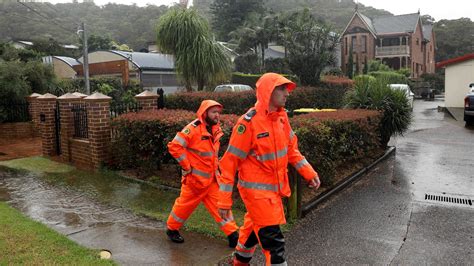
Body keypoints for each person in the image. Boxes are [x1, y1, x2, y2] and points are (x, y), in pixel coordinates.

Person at [217, 73, 321, 265]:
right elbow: (230, 161)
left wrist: (309, 172)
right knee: (274, 245)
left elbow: (291, 149)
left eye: (287, 89)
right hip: (256, 194)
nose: (286, 94)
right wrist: (224, 200)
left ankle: (239, 262)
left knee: (251, 232)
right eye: (281, 89)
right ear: (268, 92)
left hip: (273, 191)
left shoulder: (282, 118)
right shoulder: (247, 123)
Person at [166, 100, 239, 247]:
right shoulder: (192, 129)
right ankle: (172, 229)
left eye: (218, 112)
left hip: (211, 180)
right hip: (194, 181)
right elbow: (174, 146)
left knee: (222, 206)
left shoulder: (215, 129)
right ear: (204, 113)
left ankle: (233, 234)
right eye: (213, 112)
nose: (217, 115)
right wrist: (186, 166)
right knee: (183, 207)